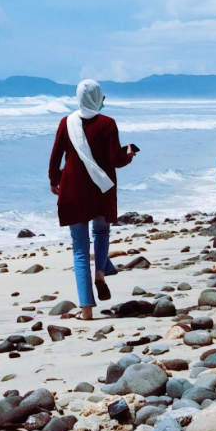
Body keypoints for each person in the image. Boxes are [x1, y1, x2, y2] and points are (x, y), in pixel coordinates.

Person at [49, 79, 138, 320]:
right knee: (101, 232)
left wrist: (54, 181)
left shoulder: (65, 123)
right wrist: (129, 153)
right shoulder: (108, 124)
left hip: (73, 191)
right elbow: (115, 159)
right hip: (101, 190)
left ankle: (86, 309)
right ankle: (100, 270)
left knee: (79, 248)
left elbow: (56, 156)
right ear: (97, 98)